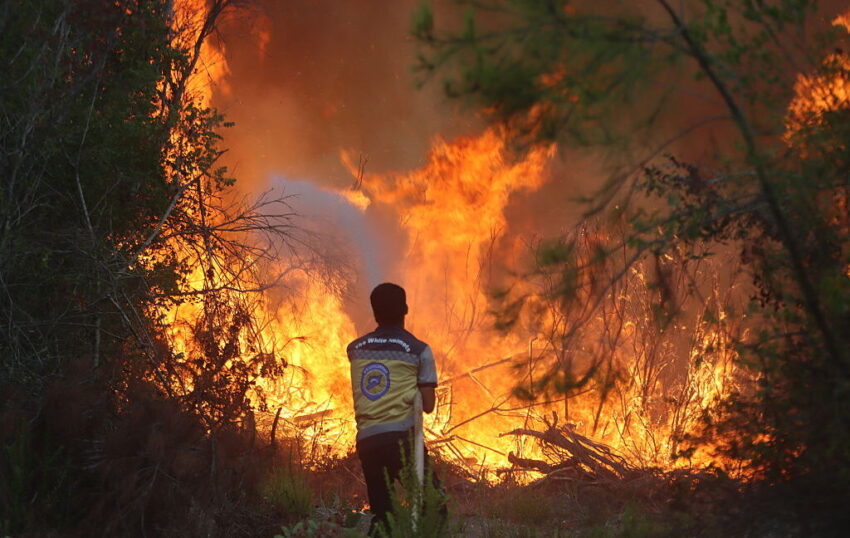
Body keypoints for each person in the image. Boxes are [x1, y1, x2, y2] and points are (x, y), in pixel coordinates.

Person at [347, 282, 446, 536]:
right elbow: (428, 406)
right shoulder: (419, 350)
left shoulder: (355, 349)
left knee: (383, 516)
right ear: (405, 309)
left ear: (374, 312)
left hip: (367, 441)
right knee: (434, 505)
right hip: (402, 441)